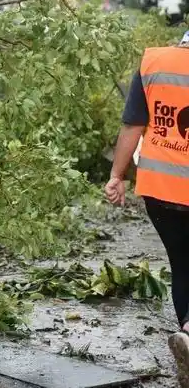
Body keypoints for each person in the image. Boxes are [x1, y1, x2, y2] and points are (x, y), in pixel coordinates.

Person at [104, 31, 189, 387]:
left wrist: (116, 175)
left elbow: (133, 126)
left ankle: (188, 334)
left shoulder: (154, 62)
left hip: (161, 190)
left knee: (182, 263)